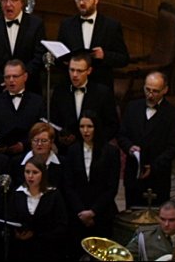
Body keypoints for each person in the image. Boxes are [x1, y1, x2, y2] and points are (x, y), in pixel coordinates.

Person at [117, 71, 175, 209]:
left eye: (155, 91)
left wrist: (153, 166)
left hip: (158, 176)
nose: (150, 95)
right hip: (133, 174)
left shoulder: (173, 114)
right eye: (147, 90)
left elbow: (173, 147)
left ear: (165, 90)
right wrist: (129, 147)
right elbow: (122, 135)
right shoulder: (132, 107)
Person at [61, 111, 120, 259]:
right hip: (77, 214)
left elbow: (111, 187)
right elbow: (68, 185)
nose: (85, 131)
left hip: (102, 213)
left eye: (89, 126)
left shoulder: (111, 152)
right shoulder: (72, 151)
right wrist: (81, 211)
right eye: (82, 126)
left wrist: (93, 212)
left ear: (97, 127)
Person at [57, 0, 130, 90]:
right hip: (72, 86)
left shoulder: (111, 26)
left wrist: (104, 55)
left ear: (96, 0)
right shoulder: (67, 25)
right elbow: (59, 56)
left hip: (101, 85)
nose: (81, 3)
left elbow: (124, 59)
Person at [0, 0, 47, 95]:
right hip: (0, 89)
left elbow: (39, 56)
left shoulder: (36, 24)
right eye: (4, 0)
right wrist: (5, 80)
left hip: (29, 89)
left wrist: (21, 79)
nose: (8, 4)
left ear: (21, 2)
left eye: (13, 0)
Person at [48, 52, 119, 151]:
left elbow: (112, 125)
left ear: (89, 70)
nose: (74, 75)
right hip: (66, 151)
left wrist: (94, 140)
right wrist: (61, 138)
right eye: (72, 70)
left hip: (95, 150)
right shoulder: (60, 92)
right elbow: (53, 121)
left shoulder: (102, 93)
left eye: (79, 71)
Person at [6, 157, 69, 258]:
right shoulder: (17, 193)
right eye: (27, 172)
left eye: (35, 172)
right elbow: (10, 218)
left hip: (47, 251)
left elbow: (61, 225)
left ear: (43, 174)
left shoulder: (53, 194)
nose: (30, 176)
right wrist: (15, 233)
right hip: (21, 251)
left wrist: (36, 235)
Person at [0, 59, 46, 157]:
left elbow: (42, 129)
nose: (11, 80)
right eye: (7, 77)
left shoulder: (37, 101)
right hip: (2, 156)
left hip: (30, 155)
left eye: (15, 76)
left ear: (25, 77)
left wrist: (24, 145)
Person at [11, 122, 62, 190]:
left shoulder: (63, 164)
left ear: (51, 142)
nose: (39, 144)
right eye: (35, 140)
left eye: (44, 141)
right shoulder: (16, 162)